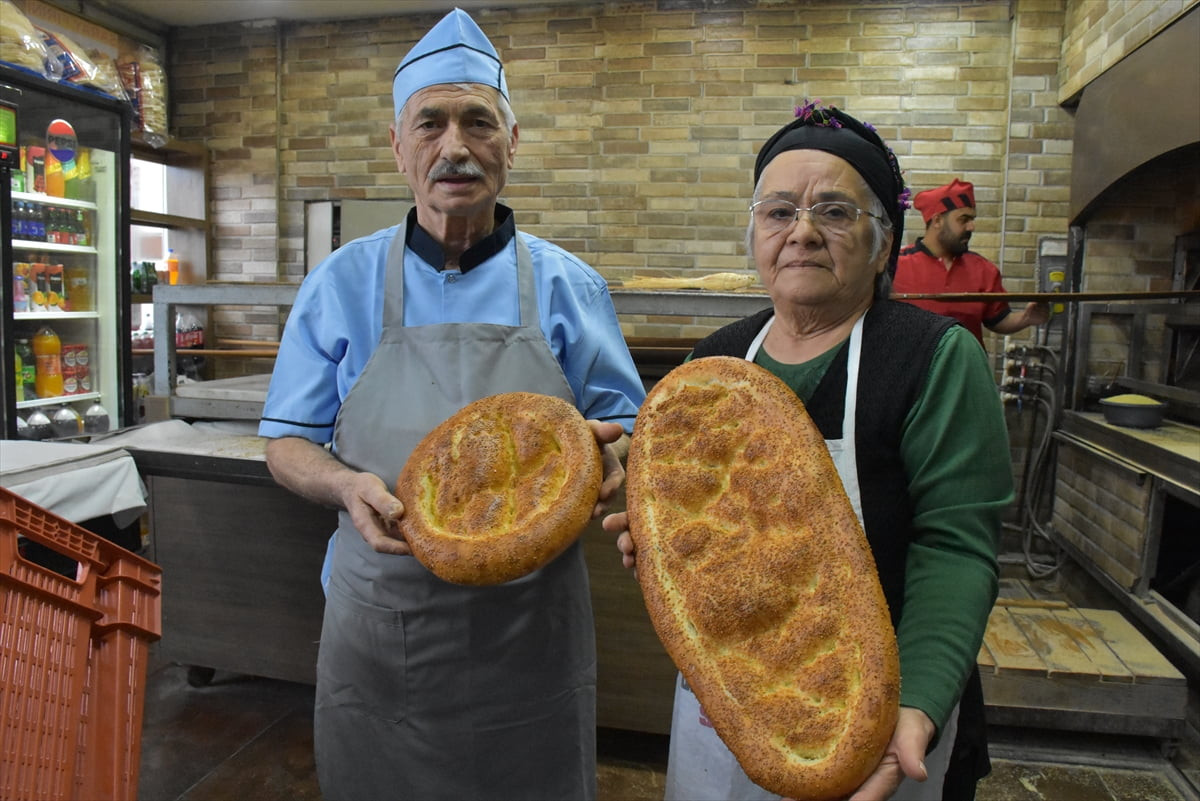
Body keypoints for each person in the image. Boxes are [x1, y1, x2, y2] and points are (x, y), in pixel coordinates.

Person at [257, 9, 645, 800]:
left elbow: (632, 427)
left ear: (512, 142)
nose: (455, 147)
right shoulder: (341, 283)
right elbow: (286, 442)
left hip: (530, 637)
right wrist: (342, 485)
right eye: (430, 124)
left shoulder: (570, 287)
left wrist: (614, 455)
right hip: (381, 626)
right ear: (399, 147)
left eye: (479, 122)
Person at [603, 101, 1012, 801]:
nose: (802, 232)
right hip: (727, 699)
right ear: (755, 234)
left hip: (880, 713)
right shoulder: (717, 360)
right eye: (779, 211)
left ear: (885, 243)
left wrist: (915, 703)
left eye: (834, 211)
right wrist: (655, 526)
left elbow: (957, 548)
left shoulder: (932, 358)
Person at [892, 177, 1049, 346]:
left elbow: (998, 319)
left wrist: (1026, 318)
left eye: (972, 220)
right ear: (937, 221)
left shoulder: (983, 270)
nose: (971, 227)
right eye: (964, 219)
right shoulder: (895, 265)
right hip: (911, 369)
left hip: (965, 369)